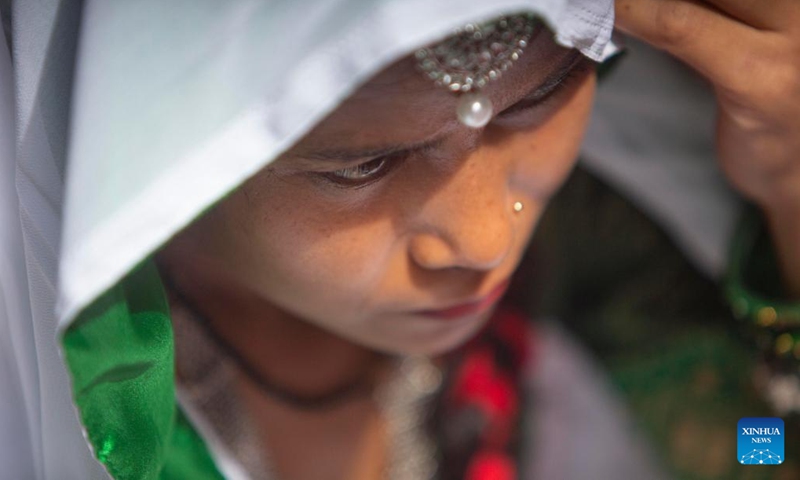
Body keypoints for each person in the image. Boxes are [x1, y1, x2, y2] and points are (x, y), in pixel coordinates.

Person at [1, 1, 799, 479]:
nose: (485, 238)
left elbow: (759, 457)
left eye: (545, 92)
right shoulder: (59, 407)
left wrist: (787, 199)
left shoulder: (591, 241)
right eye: (364, 166)